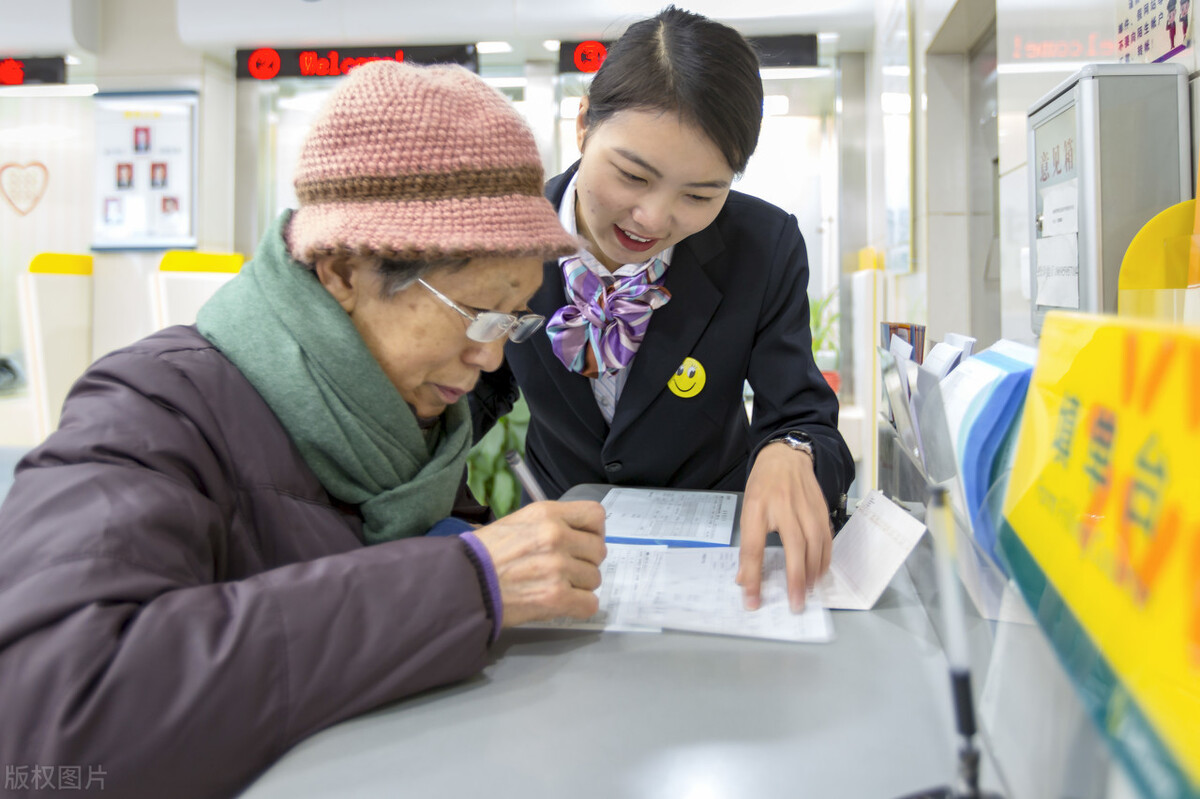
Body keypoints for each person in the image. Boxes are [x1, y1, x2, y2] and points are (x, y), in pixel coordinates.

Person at [0, 61, 606, 798]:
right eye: (476, 311)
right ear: (344, 271)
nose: (489, 356)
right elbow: (50, 719)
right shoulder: (151, 408)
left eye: (513, 317)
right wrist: (463, 582)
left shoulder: (410, 425)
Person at [471, 6, 854, 615]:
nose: (653, 218)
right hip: (553, 545)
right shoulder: (510, 233)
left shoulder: (763, 245)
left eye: (700, 195)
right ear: (583, 126)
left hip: (716, 561)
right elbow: (469, 391)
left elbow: (804, 416)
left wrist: (793, 451)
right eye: (631, 175)